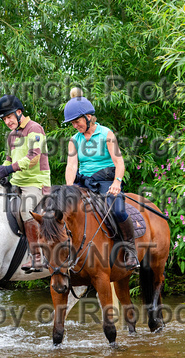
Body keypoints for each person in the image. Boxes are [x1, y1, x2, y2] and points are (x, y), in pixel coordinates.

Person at [63, 88, 139, 271]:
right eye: (72, 123)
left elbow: (119, 162)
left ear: (88, 117)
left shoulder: (106, 134)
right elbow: (71, 166)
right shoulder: (74, 140)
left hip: (106, 181)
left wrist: (117, 183)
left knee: (118, 210)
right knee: (62, 208)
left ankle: (130, 251)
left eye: (77, 121)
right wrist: (69, 187)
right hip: (83, 182)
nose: (75, 125)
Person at [0, 94, 50, 273]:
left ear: (19, 113)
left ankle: (37, 257)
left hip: (36, 181)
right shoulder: (12, 135)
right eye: (4, 119)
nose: (7, 121)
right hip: (16, 181)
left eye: (9, 117)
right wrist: (1, 170)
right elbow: (9, 159)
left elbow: (33, 157)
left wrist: (10, 169)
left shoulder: (35, 128)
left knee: (26, 210)